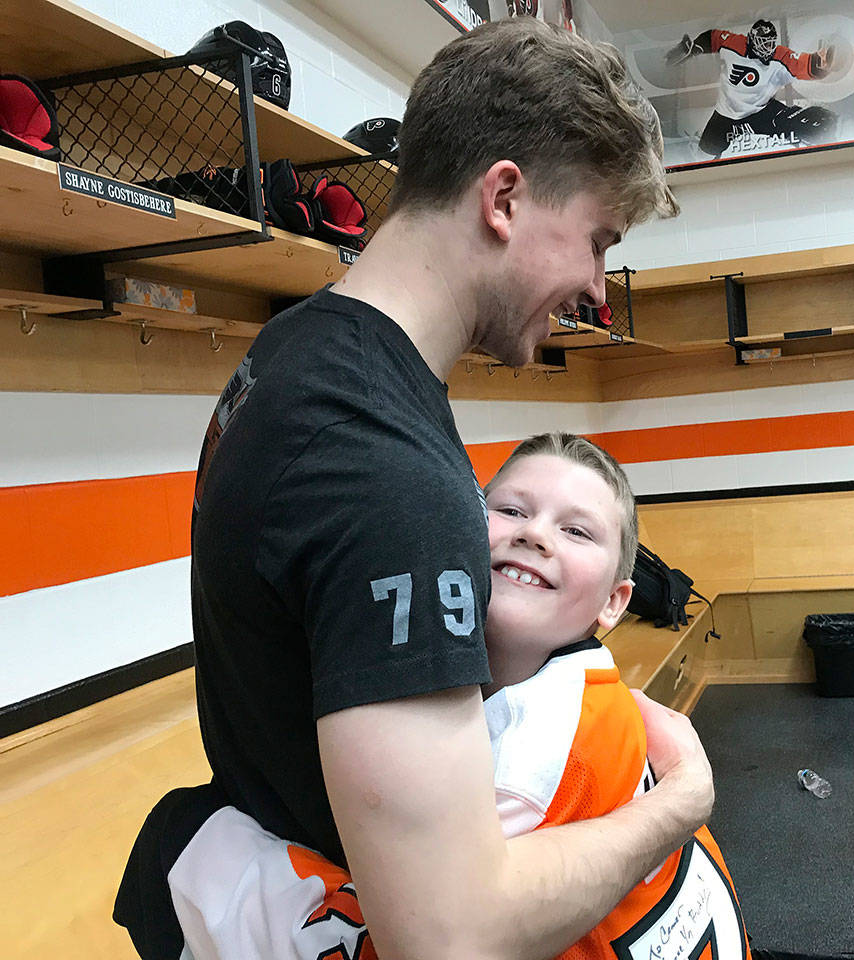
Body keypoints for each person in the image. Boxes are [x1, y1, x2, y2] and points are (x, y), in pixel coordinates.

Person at [114, 19, 719, 960]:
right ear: (505, 198)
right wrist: (678, 806)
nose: (600, 286)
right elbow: (450, 937)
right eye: (597, 239)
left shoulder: (302, 349)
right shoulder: (382, 463)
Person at [161, 433, 753, 960]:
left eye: (575, 530)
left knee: (189, 844)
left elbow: (435, 940)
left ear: (615, 602)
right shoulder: (585, 694)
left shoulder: (542, 750)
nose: (533, 533)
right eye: (510, 509)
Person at [666, 19, 836, 158]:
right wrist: (695, 48)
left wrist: (820, 62)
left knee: (808, 121)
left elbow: (805, 65)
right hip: (726, 115)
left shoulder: (780, 56)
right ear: (752, 40)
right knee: (702, 156)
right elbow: (712, 37)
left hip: (762, 112)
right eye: (765, 43)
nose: (769, 48)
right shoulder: (734, 43)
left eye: (771, 43)